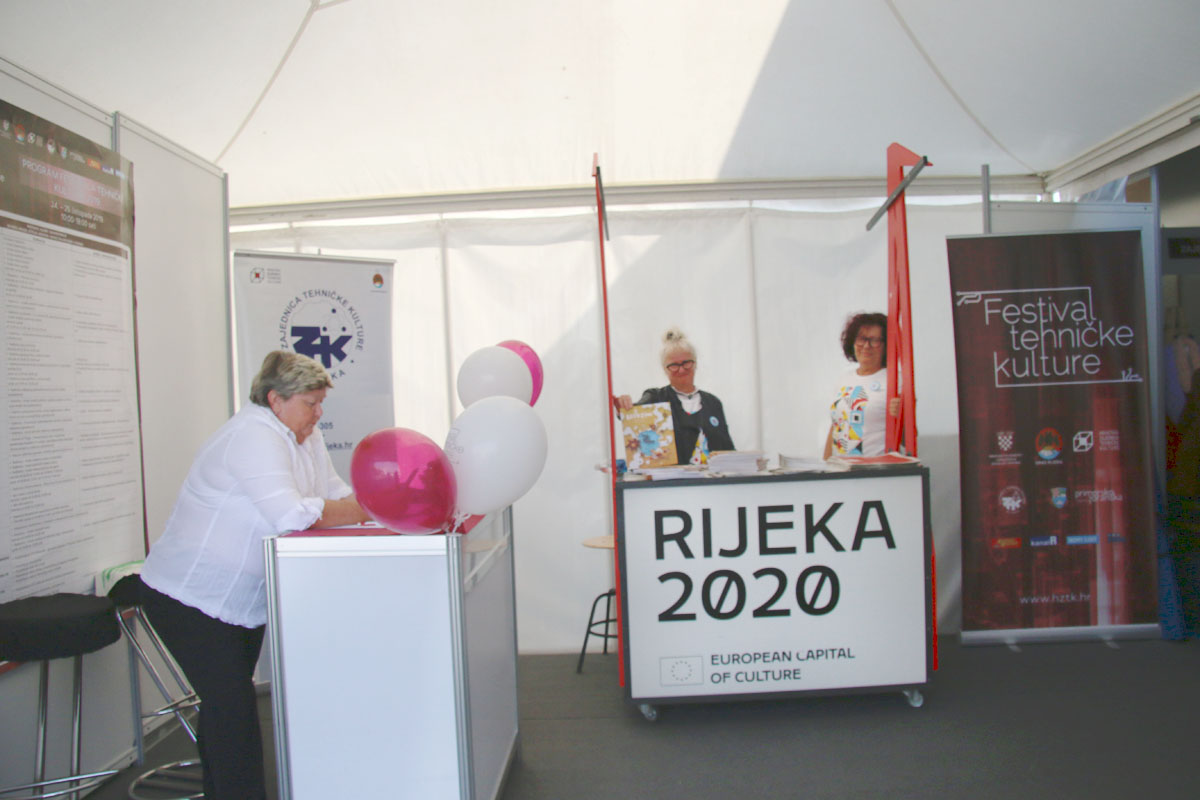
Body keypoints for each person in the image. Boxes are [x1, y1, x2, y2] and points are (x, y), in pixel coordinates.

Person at [139, 351, 369, 799]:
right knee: (234, 711)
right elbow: (292, 514)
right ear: (275, 399)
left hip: (241, 603)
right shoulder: (252, 435)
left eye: (320, 403)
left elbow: (335, 494)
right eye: (310, 403)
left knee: (224, 710)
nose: (318, 414)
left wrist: (363, 507)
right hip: (190, 598)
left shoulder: (305, 434)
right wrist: (363, 509)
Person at [615, 327, 734, 465]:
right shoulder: (656, 398)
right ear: (665, 369)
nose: (681, 370)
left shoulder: (713, 403)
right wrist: (623, 407)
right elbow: (634, 412)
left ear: (695, 363)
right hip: (671, 478)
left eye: (686, 363)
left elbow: (727, 450)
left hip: (711, 478)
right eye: (674, 365)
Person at [824, 312, 901, 459]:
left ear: (886, 346)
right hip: (839, 468)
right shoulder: (844, 380)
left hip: (874, 468)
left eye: (874, 340)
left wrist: (900, 417)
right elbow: (835, 426)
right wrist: (826, 464)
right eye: (861, 339)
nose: (866, 346)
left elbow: (908, 438)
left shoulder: (896, 381)